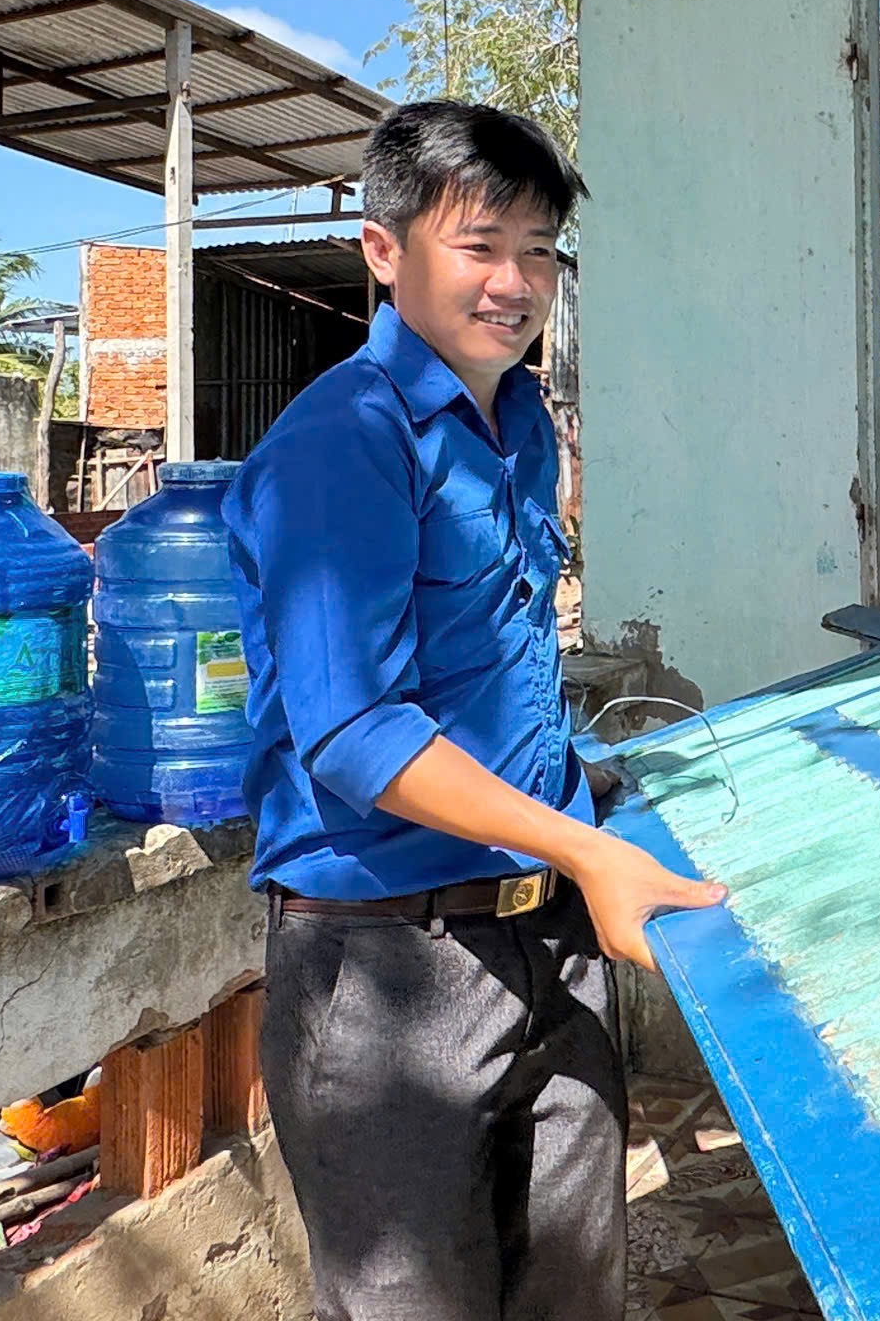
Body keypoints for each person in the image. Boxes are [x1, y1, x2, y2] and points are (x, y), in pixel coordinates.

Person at [225, 101, 723, 1321]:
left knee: (572, 1296)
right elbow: (355, 733)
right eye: (480, 246)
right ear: (383, 251)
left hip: (548, 941)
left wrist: (584, 790)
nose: (515, 282)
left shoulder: (519, 425)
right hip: (390, 970)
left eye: (539, 250)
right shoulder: (342, 442)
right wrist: (585, 849)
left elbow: (501, 660)